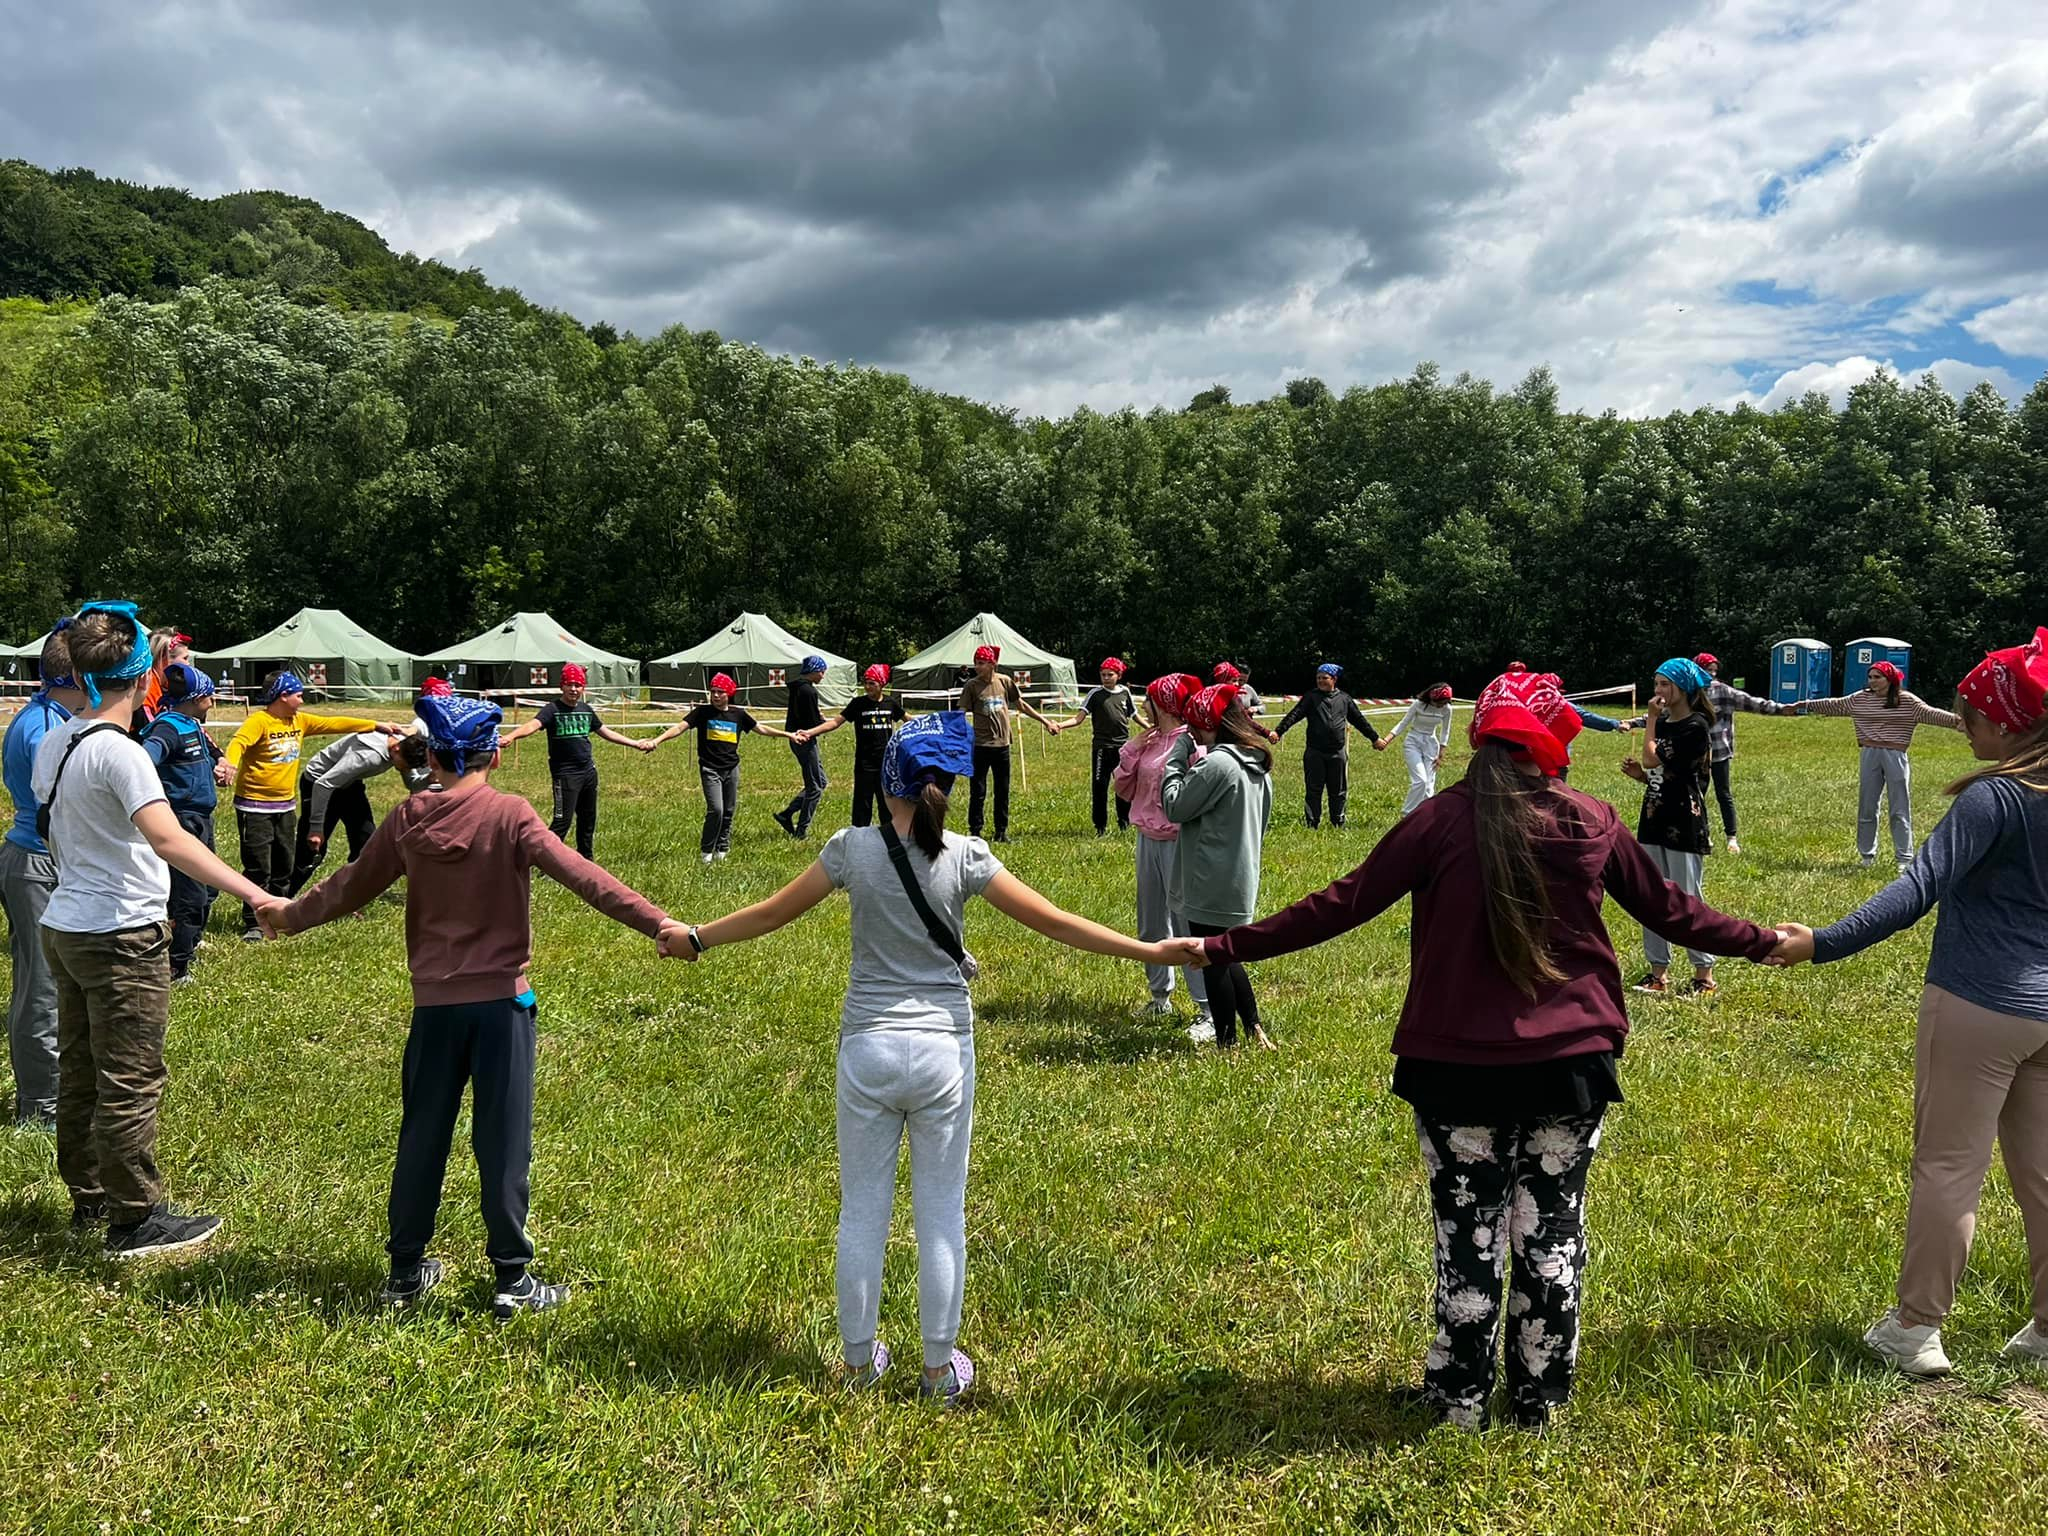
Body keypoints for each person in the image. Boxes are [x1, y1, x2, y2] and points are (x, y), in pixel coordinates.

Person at [1189, 669, 1784, 1429]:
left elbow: (1341, 904)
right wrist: (1768, 941)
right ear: (1554, 739)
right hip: (1572, 1066)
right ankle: (1540, 1401)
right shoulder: (1591, 819)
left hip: (1458, 1071)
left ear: (1483, 736)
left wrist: (1221, 946)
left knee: (1466, 1240)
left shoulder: (1438, 820)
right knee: (1552, 1234)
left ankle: (1458, 1400)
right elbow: (1676, 912)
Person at [655, 711, 1189, 1404]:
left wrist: (696, 937)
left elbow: (769, 914)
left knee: (862, 1212)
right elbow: (1056, 922)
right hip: (943, 1052)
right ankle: (938, 1371)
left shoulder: (850, 849)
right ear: (948, 788)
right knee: (941, 1213)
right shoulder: (966, 855)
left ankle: (856, 1365)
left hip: (867, 1048)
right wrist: (1149, 949)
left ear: (886, 786)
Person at [269, 695, 676, 1316]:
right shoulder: (509, 814)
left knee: (422, 1135)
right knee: (503, 1141)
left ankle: (404, 1274)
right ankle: (512, 1280)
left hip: (434, 1011)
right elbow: (585, 877)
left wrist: (290, 915)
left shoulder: (407, 819)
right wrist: (659, 924)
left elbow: (350, 885)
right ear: (495, 757)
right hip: (501, 1009)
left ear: (431, 758)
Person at [1772, 628, 2048, 1376]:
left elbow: (1918, 885)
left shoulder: (1995, 797)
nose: (1964, 727)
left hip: (1979, 1003)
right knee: (2043, 1173)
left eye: (1973, 716)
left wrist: (1824, 941)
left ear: (2006, 725)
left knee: (1950, 1168)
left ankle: (1915, 1328)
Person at [32, 602, 281, 1259]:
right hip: (120, 933)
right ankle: (134, 1217)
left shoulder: (57, 741)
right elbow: (169, 840)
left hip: (65, 925)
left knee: (80, 1070)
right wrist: (255, 893)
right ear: (145, 680)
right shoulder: (121, 755)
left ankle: (89, 1196)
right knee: (130, 1077)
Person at [223, 670, 393, 942]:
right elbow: (239, 742)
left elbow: (334, 723)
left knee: (284, 863)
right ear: (283, 696)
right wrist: (229, 763)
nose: (302, 701)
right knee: (259, 866)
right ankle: (253, 922)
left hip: (285, 807)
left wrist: (375, 725)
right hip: (254, 807)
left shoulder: (299, 721)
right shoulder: (260, 721)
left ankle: (278, 912)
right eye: (299, 695)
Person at [0, 628, 86, 1126]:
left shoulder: (50, 716)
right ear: (77, 675)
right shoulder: (43, 729)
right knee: (41, 988)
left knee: (54, 982)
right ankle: (39, 1107)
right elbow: (61, 804)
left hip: (43, 860)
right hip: (37, 863)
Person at [1162, 683, 1275, 1049]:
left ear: (1212, 724)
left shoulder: (1218, 764)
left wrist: (1176, 758)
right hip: (1240, 873)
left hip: (1208, 877)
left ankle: (1227, 1044)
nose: (1191, 732)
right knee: (1226, 954)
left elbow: (1175, 806)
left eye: (1195, 725)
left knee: (1210, 960)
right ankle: (1254, 1027)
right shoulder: (1255, 761)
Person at [1112, 673, 1211, 1035]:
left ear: (1165, 705)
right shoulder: (1150, 740)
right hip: (1147, 839)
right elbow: (1124, 789)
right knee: (1151, 921)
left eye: (1149, 700)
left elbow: (1199, 792)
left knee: (1185, 923)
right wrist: (1132, 749)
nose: (1143, 705)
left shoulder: (1191, 743)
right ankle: (1159, 997)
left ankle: (1207, 1008)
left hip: (1179, 842)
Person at [1622, 658, 1721, 996]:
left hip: (1684, 822)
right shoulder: (1664, 724)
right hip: (1654, 818)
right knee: (1651, 895)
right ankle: (1657, 973)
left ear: (1684, 688)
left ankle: (1704, 975)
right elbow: (1661, 772)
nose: (1658, 691)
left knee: (1687, 897)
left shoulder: (1695, 726)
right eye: (1656, 684)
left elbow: (1653, 757)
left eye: (1665, 684)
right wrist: (1642, 777)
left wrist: (1650, 720)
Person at [1803, 662, 1961, 870]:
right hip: (1869, 753)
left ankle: (1904, 858)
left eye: (1877, 677)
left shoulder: (1907, 701)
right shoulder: (1860, 699)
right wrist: (1802, 705)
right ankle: (1866, 856)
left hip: (1895, 755)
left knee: (1899, 807)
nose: (1872, 681)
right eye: (1870, 677)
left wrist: (1963, 722)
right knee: (1867, 806)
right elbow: (1834, 704)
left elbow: (1933, 714)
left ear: (1890, 679)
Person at [498, 663, 651, 861]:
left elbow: (606, 732)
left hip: (588, 773)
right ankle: (542, 861)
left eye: (578, 685)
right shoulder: (552, 710)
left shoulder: (586, 710)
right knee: (562, 821)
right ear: (562, 686)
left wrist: (635, 743)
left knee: (588, 820)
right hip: (565, 775)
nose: (573, 689)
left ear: (583, 688)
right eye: (569, 684)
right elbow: (532, 726)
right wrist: (511, 736)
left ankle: (586, 860)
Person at [140, 663, 234, 981]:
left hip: (201, 818)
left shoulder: (191, 725)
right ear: (196, 699)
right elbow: (143, 761)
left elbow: (212, 751)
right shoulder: (167, 728)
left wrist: (220, 763)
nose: (213, 702)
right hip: (182, 821)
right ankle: (176, 966)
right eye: (209, 697)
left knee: (208, 888)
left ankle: (188, 942)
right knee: (190, 896)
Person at [647, 672, 797, 863]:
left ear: (729, 693)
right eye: (713, 692)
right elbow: (679, 728)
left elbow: (761, 728)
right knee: (716, 810)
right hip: (710, 769)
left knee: (728, 811)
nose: (716, 695)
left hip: (731, 769)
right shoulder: (702, 713)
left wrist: (788, 735)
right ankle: (706, 852)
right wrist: (657, 740)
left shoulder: (738, 714)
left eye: (720, 692)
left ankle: (722, 849)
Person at [288, 725, 433, 894]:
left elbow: (412, 784)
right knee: (311, 851)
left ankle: (345, 898)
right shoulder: (368, 756)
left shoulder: (404, 746)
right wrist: (315, 829)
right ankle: (277, 898)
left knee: (365, 844)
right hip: (319, 784)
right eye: (406, 766)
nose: (407, 770)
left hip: (349, 784)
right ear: (396, 749)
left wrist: (430, 778)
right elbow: (323, 784)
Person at [1687, 652, 1798, 854]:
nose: (1712, 674)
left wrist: (1781, 709)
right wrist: (1635, 722)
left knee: (1724, 794)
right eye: (1707, 670)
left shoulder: (1723, 691)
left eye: (1714, 671)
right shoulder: (1688, 692)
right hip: (1695, 754)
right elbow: (1665, 714)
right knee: (1696, 795)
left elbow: (1753, 703)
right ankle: (1703, 834)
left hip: (1719, 752)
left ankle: (1732, 838)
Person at [957, 645, 1057, 843]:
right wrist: (954, 734)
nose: (977, 667)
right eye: (976, 663)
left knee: (1002, 791)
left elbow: (1021, 705)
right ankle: (975, 832)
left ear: (992, 664)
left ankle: (1001, 832)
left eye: (981, 663)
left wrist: (1045, 721)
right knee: (978, 791)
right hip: (981, 746)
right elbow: (961, 712)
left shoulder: (1005, 682)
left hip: (1002, 746)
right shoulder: (971, 686)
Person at [1274, 663, 1381, 829]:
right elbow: (1294, 715)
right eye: (1318, 678)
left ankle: (1338, 822)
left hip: (1337, 753)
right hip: (1314, 752)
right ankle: (1312, 823)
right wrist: (1278, 731)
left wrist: (1374, 738)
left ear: (1334, 679)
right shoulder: (1311, 697)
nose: (1320, 681)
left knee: (1338, 790)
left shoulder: (1344, 699)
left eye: (1324, 678)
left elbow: (1359, 720)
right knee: (1313, 790)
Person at [802, 665, 907, 828]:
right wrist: (809, 733)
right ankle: (858, 836)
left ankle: (889, 836)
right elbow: (835, 722)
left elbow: (909, 720)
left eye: (872, 683)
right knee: (862, 806)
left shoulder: (890, 703)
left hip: (885, 763)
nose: (867, 687)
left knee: (887, 805)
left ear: (882, 684)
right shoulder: (858, 704)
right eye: (866, 683)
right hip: (864, 763)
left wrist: (931, 727)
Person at [1052, 657, 1138, 836]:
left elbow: (1135, 715)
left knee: (1123, 785)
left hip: (1122, 747)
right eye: (1103, 675)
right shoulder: (1095, 694)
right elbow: (1078, 718)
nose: (1106, 678)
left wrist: (1153, 728)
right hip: (1101, 747)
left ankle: (1124, 822)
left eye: (1110, 675)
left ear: (1119, 675)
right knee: (1100, 787)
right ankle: (1100, 827)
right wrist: (1060, 725)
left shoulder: (1125, 692)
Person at [772, 656, 832, 841]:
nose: (822, 675)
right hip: (804, 740)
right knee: (815, 788)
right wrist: (822, 722)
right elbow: (811, 721)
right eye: (821, 672)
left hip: (797, 738)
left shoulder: (798, 688)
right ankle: (801, 831)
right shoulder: (808, 691)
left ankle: (787, 813)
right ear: (813, 671)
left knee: (821, 782)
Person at [1378, 683, 1455, 815]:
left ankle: (1424, 816)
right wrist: (1387, 740)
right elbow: (1403, 723)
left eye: (1444, 703)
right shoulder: (1418, 705)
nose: (1441, 706)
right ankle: (1407, 814)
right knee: (1420, 781)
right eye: (1439, 703)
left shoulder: (1447, 709)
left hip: (1431, 745)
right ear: (1432, 697)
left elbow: (1445, 731)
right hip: (1413, 742)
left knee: (1429, 787)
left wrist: (1441, 753)